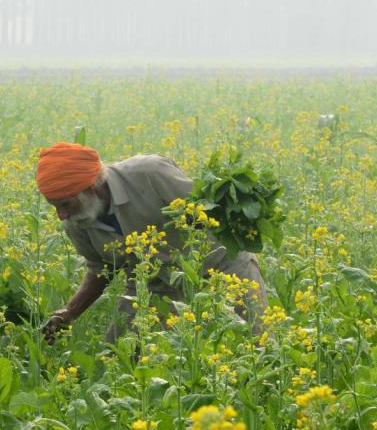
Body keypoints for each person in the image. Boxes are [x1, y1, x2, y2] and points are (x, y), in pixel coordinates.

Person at [36, 142, 267, 344]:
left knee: (253, 347)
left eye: (65, 204)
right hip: (153, 285)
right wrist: (70, 312)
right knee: (120, 357)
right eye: (55, 206)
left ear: (91, 187)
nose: (61, 215)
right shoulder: (76, 222)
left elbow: (207, 209)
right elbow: (101, 269)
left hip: (221, 269)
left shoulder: (150, 173)